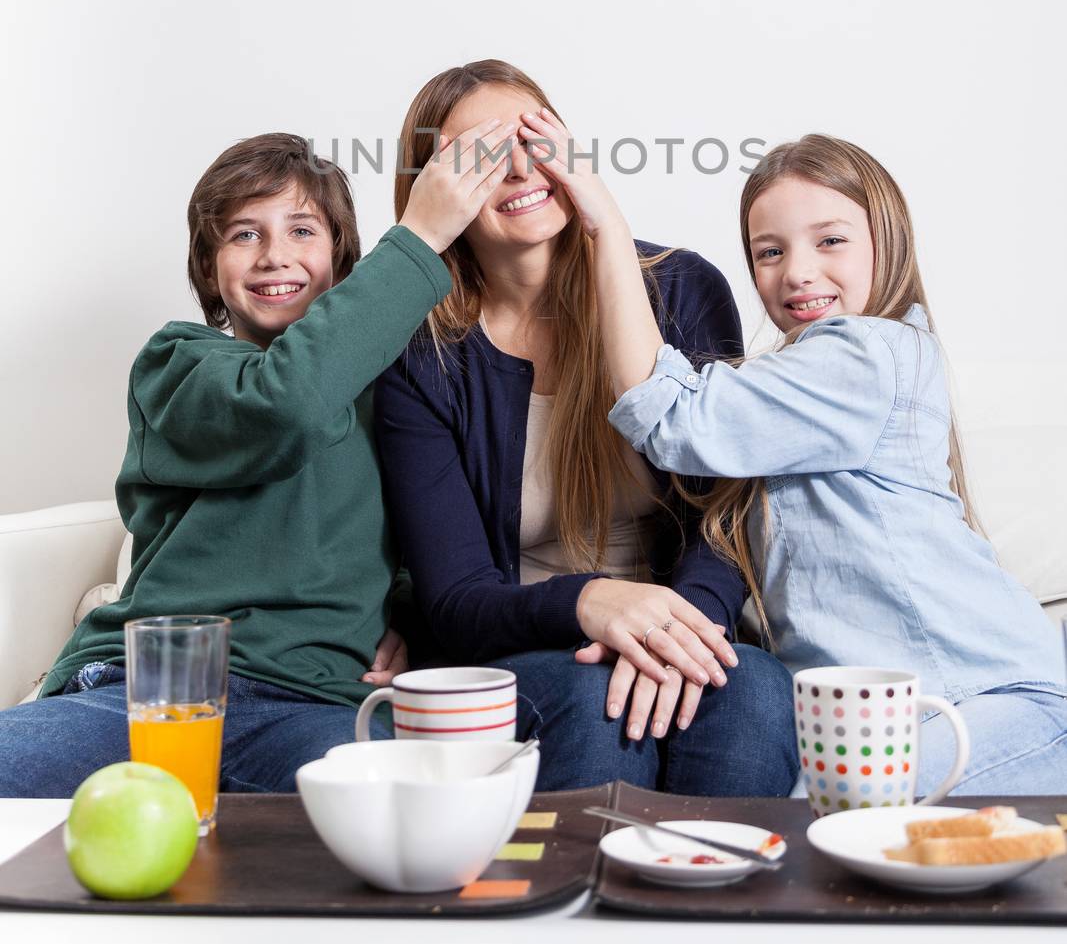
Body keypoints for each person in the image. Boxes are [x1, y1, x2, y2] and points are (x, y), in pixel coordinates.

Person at [517, 116, 1067, 797]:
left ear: (885, 243)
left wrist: (605, 227)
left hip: (985, 702)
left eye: (830, 241)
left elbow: (665, 412)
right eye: (769, 253)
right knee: (801, 816)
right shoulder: (793, 383)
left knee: (827, 822)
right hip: (884, 715)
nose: (798, 273)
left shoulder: (868, 354)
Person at [0, 123, 519, 796]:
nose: (275, 255)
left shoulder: (397, 397)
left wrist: (406, 615)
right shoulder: (178, 364)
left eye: (302, 230)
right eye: (244, 234)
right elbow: (287, 405)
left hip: (312, 702)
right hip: (145, 696)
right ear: (209, 267)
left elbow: (436, 532)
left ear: (341, 258)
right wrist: (418, 237)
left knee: (405, 811)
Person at [374, 60, 799, 796]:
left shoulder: (681, 290)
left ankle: (725, 910)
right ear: (431, 196)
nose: (516, 169)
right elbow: (454, 597)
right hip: (526, 646)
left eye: (533, 139)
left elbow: (725, 506)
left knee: (751, 693)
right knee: (588, 703)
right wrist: (590, 604)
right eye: (477, 157)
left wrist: (679, 628)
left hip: (681, 624)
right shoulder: (419, 352)